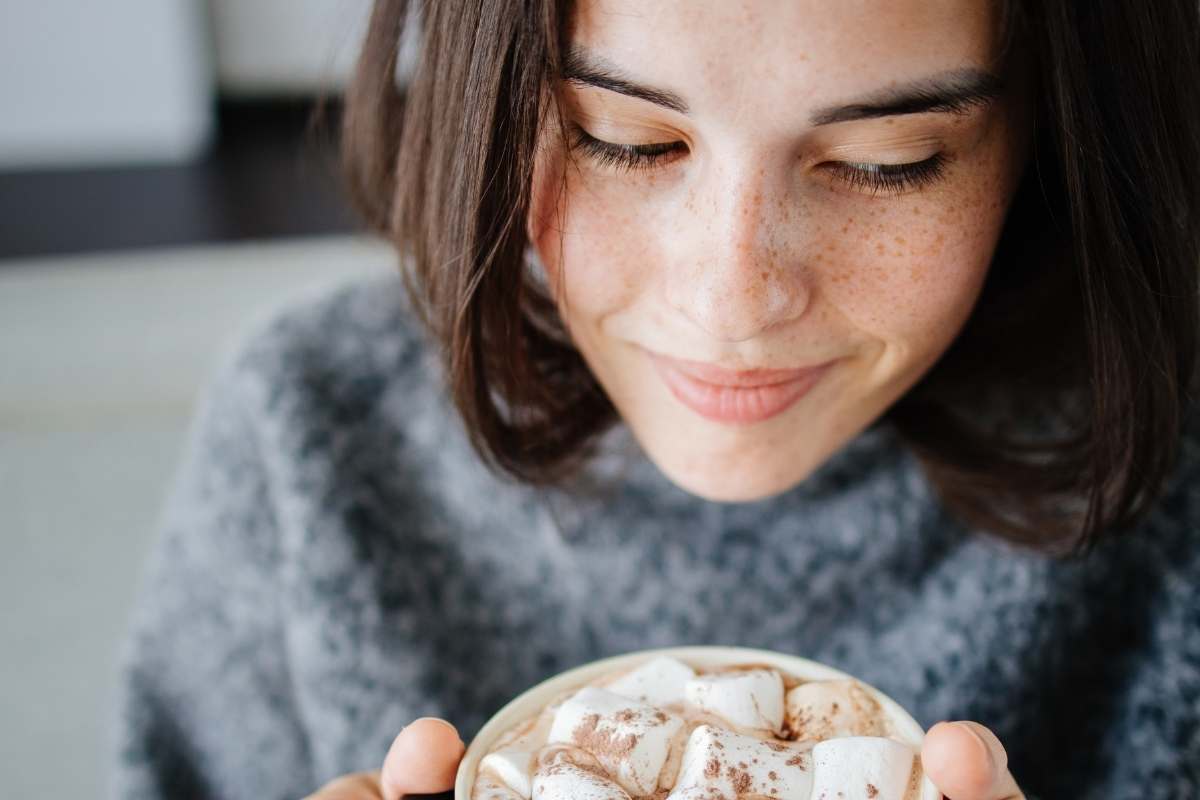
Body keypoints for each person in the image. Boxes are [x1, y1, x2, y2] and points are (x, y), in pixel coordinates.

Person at [110, 1, 1200, 799]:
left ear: (1045, 137)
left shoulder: (1172, 497)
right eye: (623, 138)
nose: (733, 300)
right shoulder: (305, 428)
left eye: (888, 159)